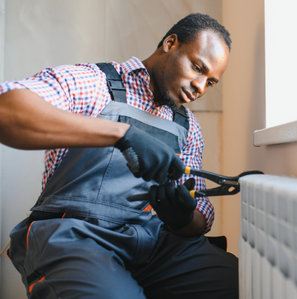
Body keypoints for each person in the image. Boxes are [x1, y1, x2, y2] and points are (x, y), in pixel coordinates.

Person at [0, 13, 237, 299]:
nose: (200, 86)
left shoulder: (188, 127)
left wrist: (184, 217)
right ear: (170, 43)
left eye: (210, 82)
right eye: (197, 67)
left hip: (154, 243)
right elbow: (7, 112)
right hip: (76, 236)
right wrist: (121, 134)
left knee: (239, 283)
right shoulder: (93, 82)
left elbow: (202, 216)